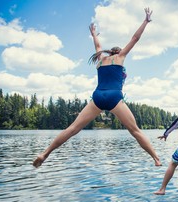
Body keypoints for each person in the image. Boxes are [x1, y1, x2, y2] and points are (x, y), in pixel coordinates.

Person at [33, 8, 161, 168]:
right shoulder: (120, 57)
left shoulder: (100, 59)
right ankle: (156, 158)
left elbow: (98, 45)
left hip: (98, 96)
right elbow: (135, 38)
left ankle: (45, 153)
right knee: (135, 131)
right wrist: (146, 21)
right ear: (119, 52)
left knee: (72, 128)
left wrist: (94, 34)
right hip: (114, 97)